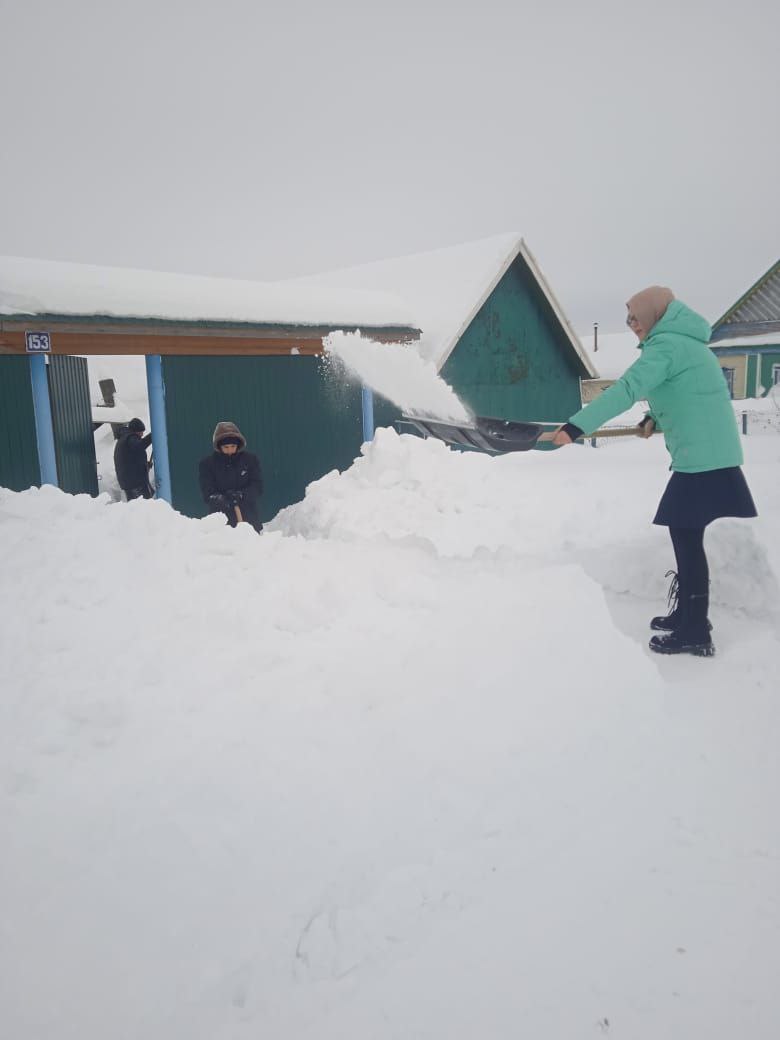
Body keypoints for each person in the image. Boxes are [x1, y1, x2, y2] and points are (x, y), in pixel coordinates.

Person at [553, 285, 757, 658]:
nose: (632, 324)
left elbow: (627, 388)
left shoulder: (666, 346)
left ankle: (695, 629)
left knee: (685, 535)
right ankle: (691, 616)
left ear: (655, 314)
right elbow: (687, 393)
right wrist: (653, 416)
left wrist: (576, 426)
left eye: (636, 317)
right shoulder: (686, 344)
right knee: (686, 534)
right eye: (628, 318)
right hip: (709, 453)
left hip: (702, 458)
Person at [199, 421, 263, 532]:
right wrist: (222, 499)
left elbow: (257, 486)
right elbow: (207, 491)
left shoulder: (250, 461)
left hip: (248, 518)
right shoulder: (208, 464)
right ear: (219, 447)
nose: (230, 450)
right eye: (226, 447)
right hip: (221, 522)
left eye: (233, 446)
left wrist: (242, 495)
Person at [114, 418, 153, 500]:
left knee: (139, 503)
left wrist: (145, 465)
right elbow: (140, 446)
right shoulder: (130, 438)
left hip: (129, 481)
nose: (142, 434)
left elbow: (131, 458)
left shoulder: (124, 439)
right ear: (135, 431)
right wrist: (152, 436)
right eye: (141, 432)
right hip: (134, 483)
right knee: (143, 504)